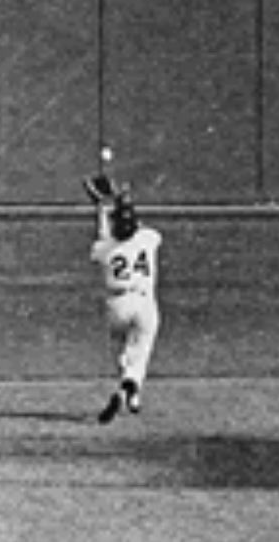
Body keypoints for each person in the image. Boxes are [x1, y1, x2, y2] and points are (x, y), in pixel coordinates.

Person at [87, 179, 163, 424]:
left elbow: (104, 233)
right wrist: (124, 198)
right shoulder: (148, 239)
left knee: (121, 354)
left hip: (117, 305)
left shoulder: (105, 248)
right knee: (140, 352)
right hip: (144, 302)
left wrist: (101, 206)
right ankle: (129, 389)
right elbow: (138, 227)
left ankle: (130, 394)